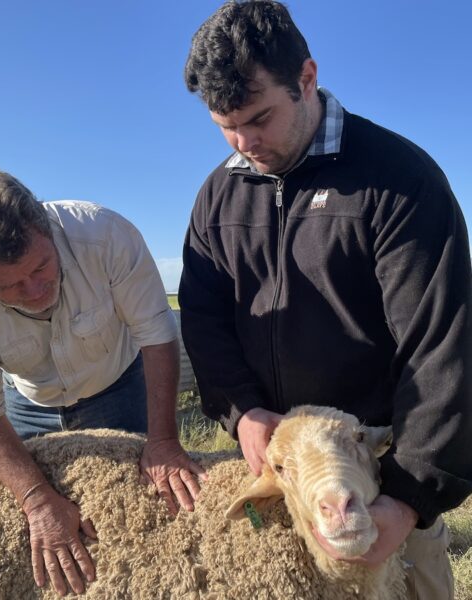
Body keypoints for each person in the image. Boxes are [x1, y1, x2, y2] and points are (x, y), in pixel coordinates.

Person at [179, 2, 471, 598]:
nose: (243, 141)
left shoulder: (398, 180)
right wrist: (242, 411)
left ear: (307, 77)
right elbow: (205, 319)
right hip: (281, 480)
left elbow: (441, 348)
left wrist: (407, 500)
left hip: (375, 480)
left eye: (259, 117)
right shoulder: (218, 196)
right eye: (224, 125)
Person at [0, 166, 205, 597]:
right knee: (34, 534)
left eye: (41, 266)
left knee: (137, 520)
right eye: (11, 285)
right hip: (28, 403)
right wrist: (36, 497)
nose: (37, 289)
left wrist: (164, 441)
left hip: (118, 386)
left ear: (46, 226)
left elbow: (156, 336)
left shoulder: (106, 235)